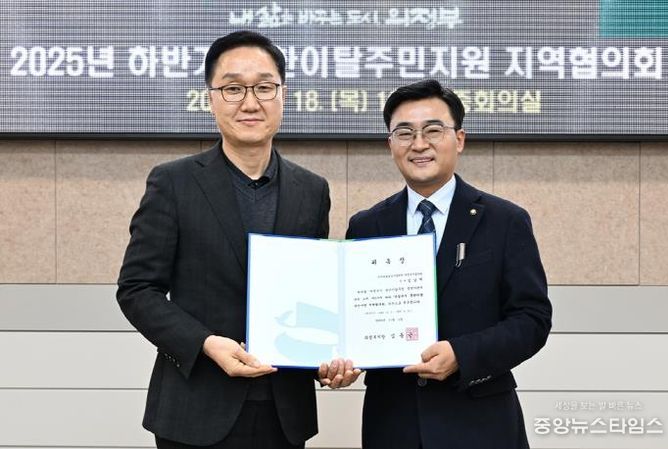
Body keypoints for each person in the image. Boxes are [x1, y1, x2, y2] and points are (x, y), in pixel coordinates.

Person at [117, 30, 358, 449]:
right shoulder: (173, 182)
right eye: (233, 88)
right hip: (195, 409)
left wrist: (329, 355)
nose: (250, 102)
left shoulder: (312, 190)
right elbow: (137, 290)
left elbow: (311, 290)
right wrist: (206, 344)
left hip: (284, 412)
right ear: (211, 99)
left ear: (283, 95)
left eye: (264, 87)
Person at [346, 79, 552, 449]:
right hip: (393, 425)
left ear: (459, 139)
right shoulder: (367, 226)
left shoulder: (505, 221)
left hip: (481, 424)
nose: (418, 144)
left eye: (432, 130)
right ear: (390, 144)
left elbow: (532, 319)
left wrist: (462, 354)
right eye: (404, 133)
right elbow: (350, 320)